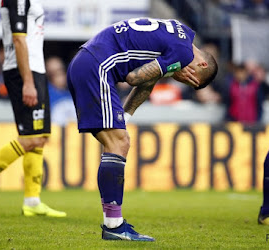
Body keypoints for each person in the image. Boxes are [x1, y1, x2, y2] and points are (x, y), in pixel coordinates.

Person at [67, 17, 218, 241]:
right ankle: (114, 226)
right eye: (189, 79)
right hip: (97, 66)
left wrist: (124, 119)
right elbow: (133, 77)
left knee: (118, 141)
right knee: (118, 143)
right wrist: (171, 68)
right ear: (201, 65)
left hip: (87, 61)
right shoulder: (183, 54)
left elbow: (147, 82)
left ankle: (113, 223)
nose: (183, 80)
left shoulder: (183, 32)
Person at [0, 0, 66, 217]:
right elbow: (18, 39)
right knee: (31, 139)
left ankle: (32, 200)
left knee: (39, 136)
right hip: (24, 72)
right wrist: (28, 82)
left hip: (34, 70)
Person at [46, 57, 76, 126]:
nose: (60, 76)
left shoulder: (74, 92)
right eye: (54, 73)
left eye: (61, 71)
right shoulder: (45, 95)